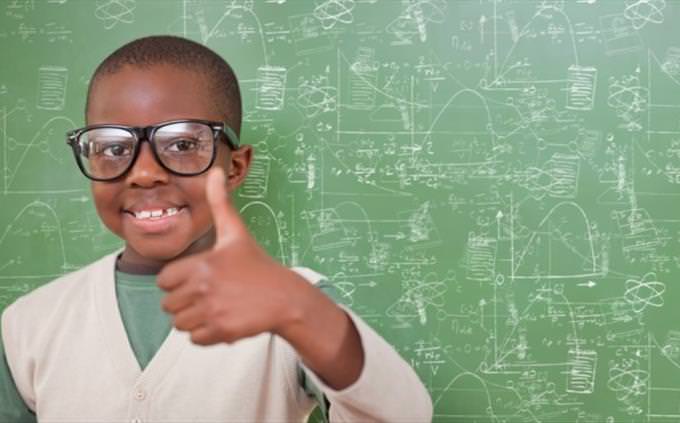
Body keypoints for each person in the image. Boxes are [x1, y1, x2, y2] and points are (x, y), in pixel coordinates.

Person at [0, 35, 433, 422]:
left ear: (236, 167)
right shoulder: (30, 323)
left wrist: (302, 310)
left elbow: (400, 416)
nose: (145, 174)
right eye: (114, 147)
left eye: (184, 144)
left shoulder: (289, 304)